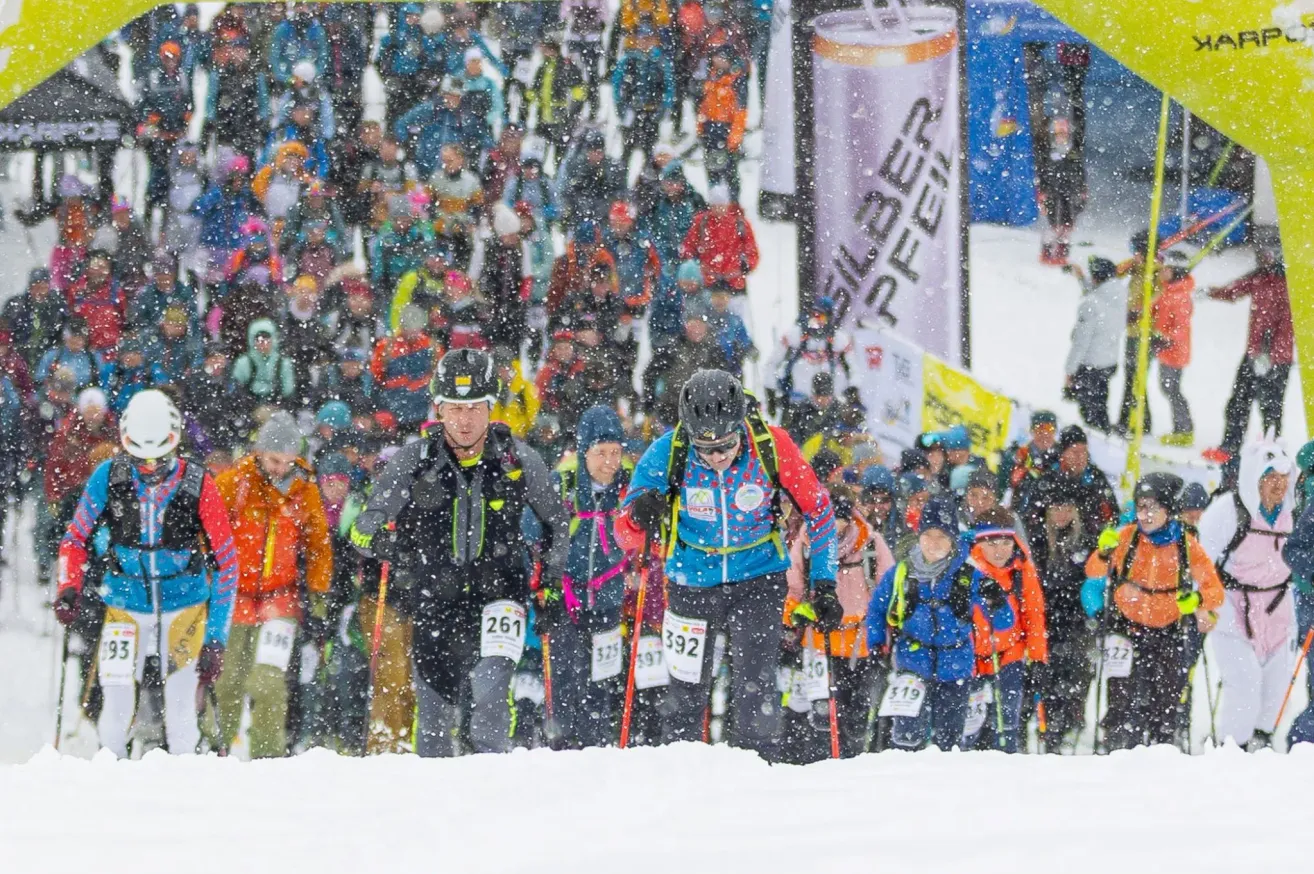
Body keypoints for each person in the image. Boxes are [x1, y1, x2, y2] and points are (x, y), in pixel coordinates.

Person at [349, 348, 571, 756]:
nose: (465, 420)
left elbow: (557, 523)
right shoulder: (416, 460)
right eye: (455, 409)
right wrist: (384, 542)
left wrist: (553, 582)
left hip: (501, 593)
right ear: (438, 409)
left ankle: (491, 785)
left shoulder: (516, 458)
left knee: (489, 694)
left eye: (474, 408)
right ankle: (434, 804)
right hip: (436, 597)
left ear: (491, 408)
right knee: (433, 717)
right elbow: (360, 530)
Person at [614, 369, 838, 759]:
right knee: (685, 693)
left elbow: (819, 510)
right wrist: (638, 515)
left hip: (758, 578)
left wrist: (826, 582)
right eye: (706, 448)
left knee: (756, 690)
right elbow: (623, 533)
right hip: (690, 581)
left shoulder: (772, 445)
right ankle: (682, 773)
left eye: (726, 445)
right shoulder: (669, 451)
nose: (717, 457)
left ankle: (757, 773)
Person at [53, 390, 238, 757]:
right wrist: (68, 587)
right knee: (117, 698)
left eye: (159, 460)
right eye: (140, 459)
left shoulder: (199, 484)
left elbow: (227, 564)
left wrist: (216, 637)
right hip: (125, 603)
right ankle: (112, 773)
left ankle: (183, 782)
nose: (150, 469)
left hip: (185, 606)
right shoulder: (108, 477)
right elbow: (74, 539)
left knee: (181, 708)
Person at [214, 412, 333, 758]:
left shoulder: (303, 490)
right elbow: (209, 536)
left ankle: (268, 758)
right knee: (228, 682)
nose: (280, 469)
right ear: (259, 452)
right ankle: (218, 751)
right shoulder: (233, 484)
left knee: (268, 683)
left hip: (280, 601)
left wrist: (319, 594)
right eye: (273, 460)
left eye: (287, 461)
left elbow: (319, 546)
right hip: (234, 598)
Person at [1083, 472, 1224, 750]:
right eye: (1141, 507)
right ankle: (1116, 753)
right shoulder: (1126, 537)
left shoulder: (1185, 544)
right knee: (1121, 702)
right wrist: (1102, 552)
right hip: (1125, 629)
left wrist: (1195, 601)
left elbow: (1215, 591)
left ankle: (1162, 756)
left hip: (1168, 631)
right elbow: (1093, 571)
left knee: (1166, 703)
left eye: (1153, 508)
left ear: (1168, 510)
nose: (1145, 515)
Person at [865, 495, 1014, 751]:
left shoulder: (968, 574)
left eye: (942, 537)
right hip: (912, 662)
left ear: (953, 540)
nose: (934, 544)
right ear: (919, 536)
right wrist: (876, 644)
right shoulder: (901, 572)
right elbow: (877, 609)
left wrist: (997, 599)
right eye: (929, 535)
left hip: (955, 665)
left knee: (950, 741)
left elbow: (1004, 622)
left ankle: (944, 786)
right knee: (906, 739)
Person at [541, 405, 631, 748]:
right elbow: (534, 530)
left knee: (602, 675)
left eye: (615, 452)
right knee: (565, 674)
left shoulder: (627, 485)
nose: (609, 461)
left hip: (608, 595)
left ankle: (597, 741)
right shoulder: (562, 482)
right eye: (600, 453)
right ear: (583, 451)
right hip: (568, 596)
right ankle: (562, 742)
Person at [1198, 437, 1296, 750]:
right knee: (1245, 681)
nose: (1278, 485)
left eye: (1283, 477)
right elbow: (1201, 562)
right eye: (1270, 477)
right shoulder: (1227, 511)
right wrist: (1202, 604)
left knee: (1277, 683)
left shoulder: (1295, 511)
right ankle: (1232, 745)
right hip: (1231, 605)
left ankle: (1262, 739)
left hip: (1278, 605)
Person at [963, 507, 1048, 753]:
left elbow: (1034, 614)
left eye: (1004, 543)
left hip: (1010, 655)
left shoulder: (1022, 570)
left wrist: (1038, 657)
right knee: (970, 728)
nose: (999, 551)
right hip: (972, 660)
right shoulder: (967, 570)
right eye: (992, 544)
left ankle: (1007, 770)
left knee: (1006, 724)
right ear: (979, 544)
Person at [1206, 236, 1295, 464]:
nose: (1261, 258)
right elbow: (1235, 290)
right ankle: (1230, 447)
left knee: (1271, 407)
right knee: (1238, 403)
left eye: (1266, 254)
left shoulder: (1288, 284)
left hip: (1275, 359)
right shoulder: (1260, 277)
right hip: (1254, 354)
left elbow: (1285, 322)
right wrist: (1211, 292)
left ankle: (1272, 454)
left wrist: (1269, 352)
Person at [1028, 472, 1096, 750]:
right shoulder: (1038, 540)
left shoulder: (1085, 541)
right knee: (1047, 677)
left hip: (1075, 620)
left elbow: (1092, 578)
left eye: (1068, 508)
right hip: (1044, 619)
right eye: (1056, 508)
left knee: (1075, 675)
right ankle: (1049, 726)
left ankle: (1070, 719)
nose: (1062, 513)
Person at [1064, 257, 1125, 432]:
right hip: (1109, 360)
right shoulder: (1118, 296)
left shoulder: (1091, 305)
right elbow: (1097, 293)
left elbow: (1081, 342)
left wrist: (1070, 370)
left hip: (1090, 363)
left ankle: (1097, 442)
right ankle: (1104, 433)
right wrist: (1081, 278)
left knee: (1090, 414)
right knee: (1100, 406)